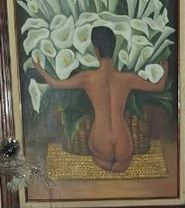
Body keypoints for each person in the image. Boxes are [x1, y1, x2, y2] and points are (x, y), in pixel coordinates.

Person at [33, 26, 168, 173]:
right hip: (124, 142)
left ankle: (105, 163)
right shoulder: (127, 79)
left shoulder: (88, 78)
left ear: (96, 50)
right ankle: (120, 164)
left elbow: (55, 83)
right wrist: (165, 69)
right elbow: (159, 87)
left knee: (99, 160)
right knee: (122, 163)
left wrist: (40, 68)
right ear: (114, 49)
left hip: (100, 142)